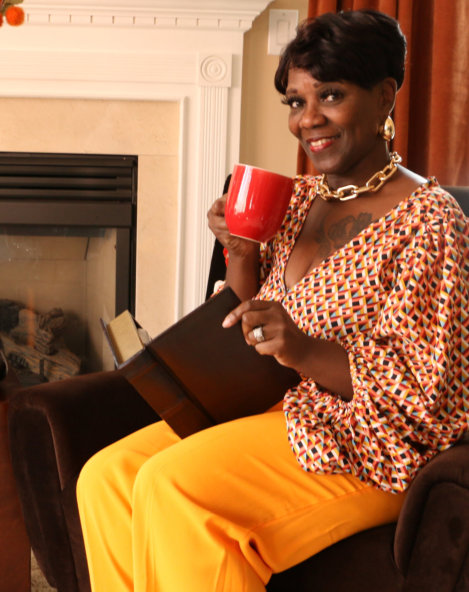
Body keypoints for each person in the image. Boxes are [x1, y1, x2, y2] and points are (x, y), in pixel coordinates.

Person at [77, 9, 468, 592]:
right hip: (278, 409)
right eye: (294, 101)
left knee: (173, 486)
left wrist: (304, 350)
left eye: (330, 96)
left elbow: (425, 400)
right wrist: (241, 249)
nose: (308, 120)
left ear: (385, 96)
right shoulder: (297, 198)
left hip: (369, 442)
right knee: (105, 477)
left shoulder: (432, 222)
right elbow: (244, 318)